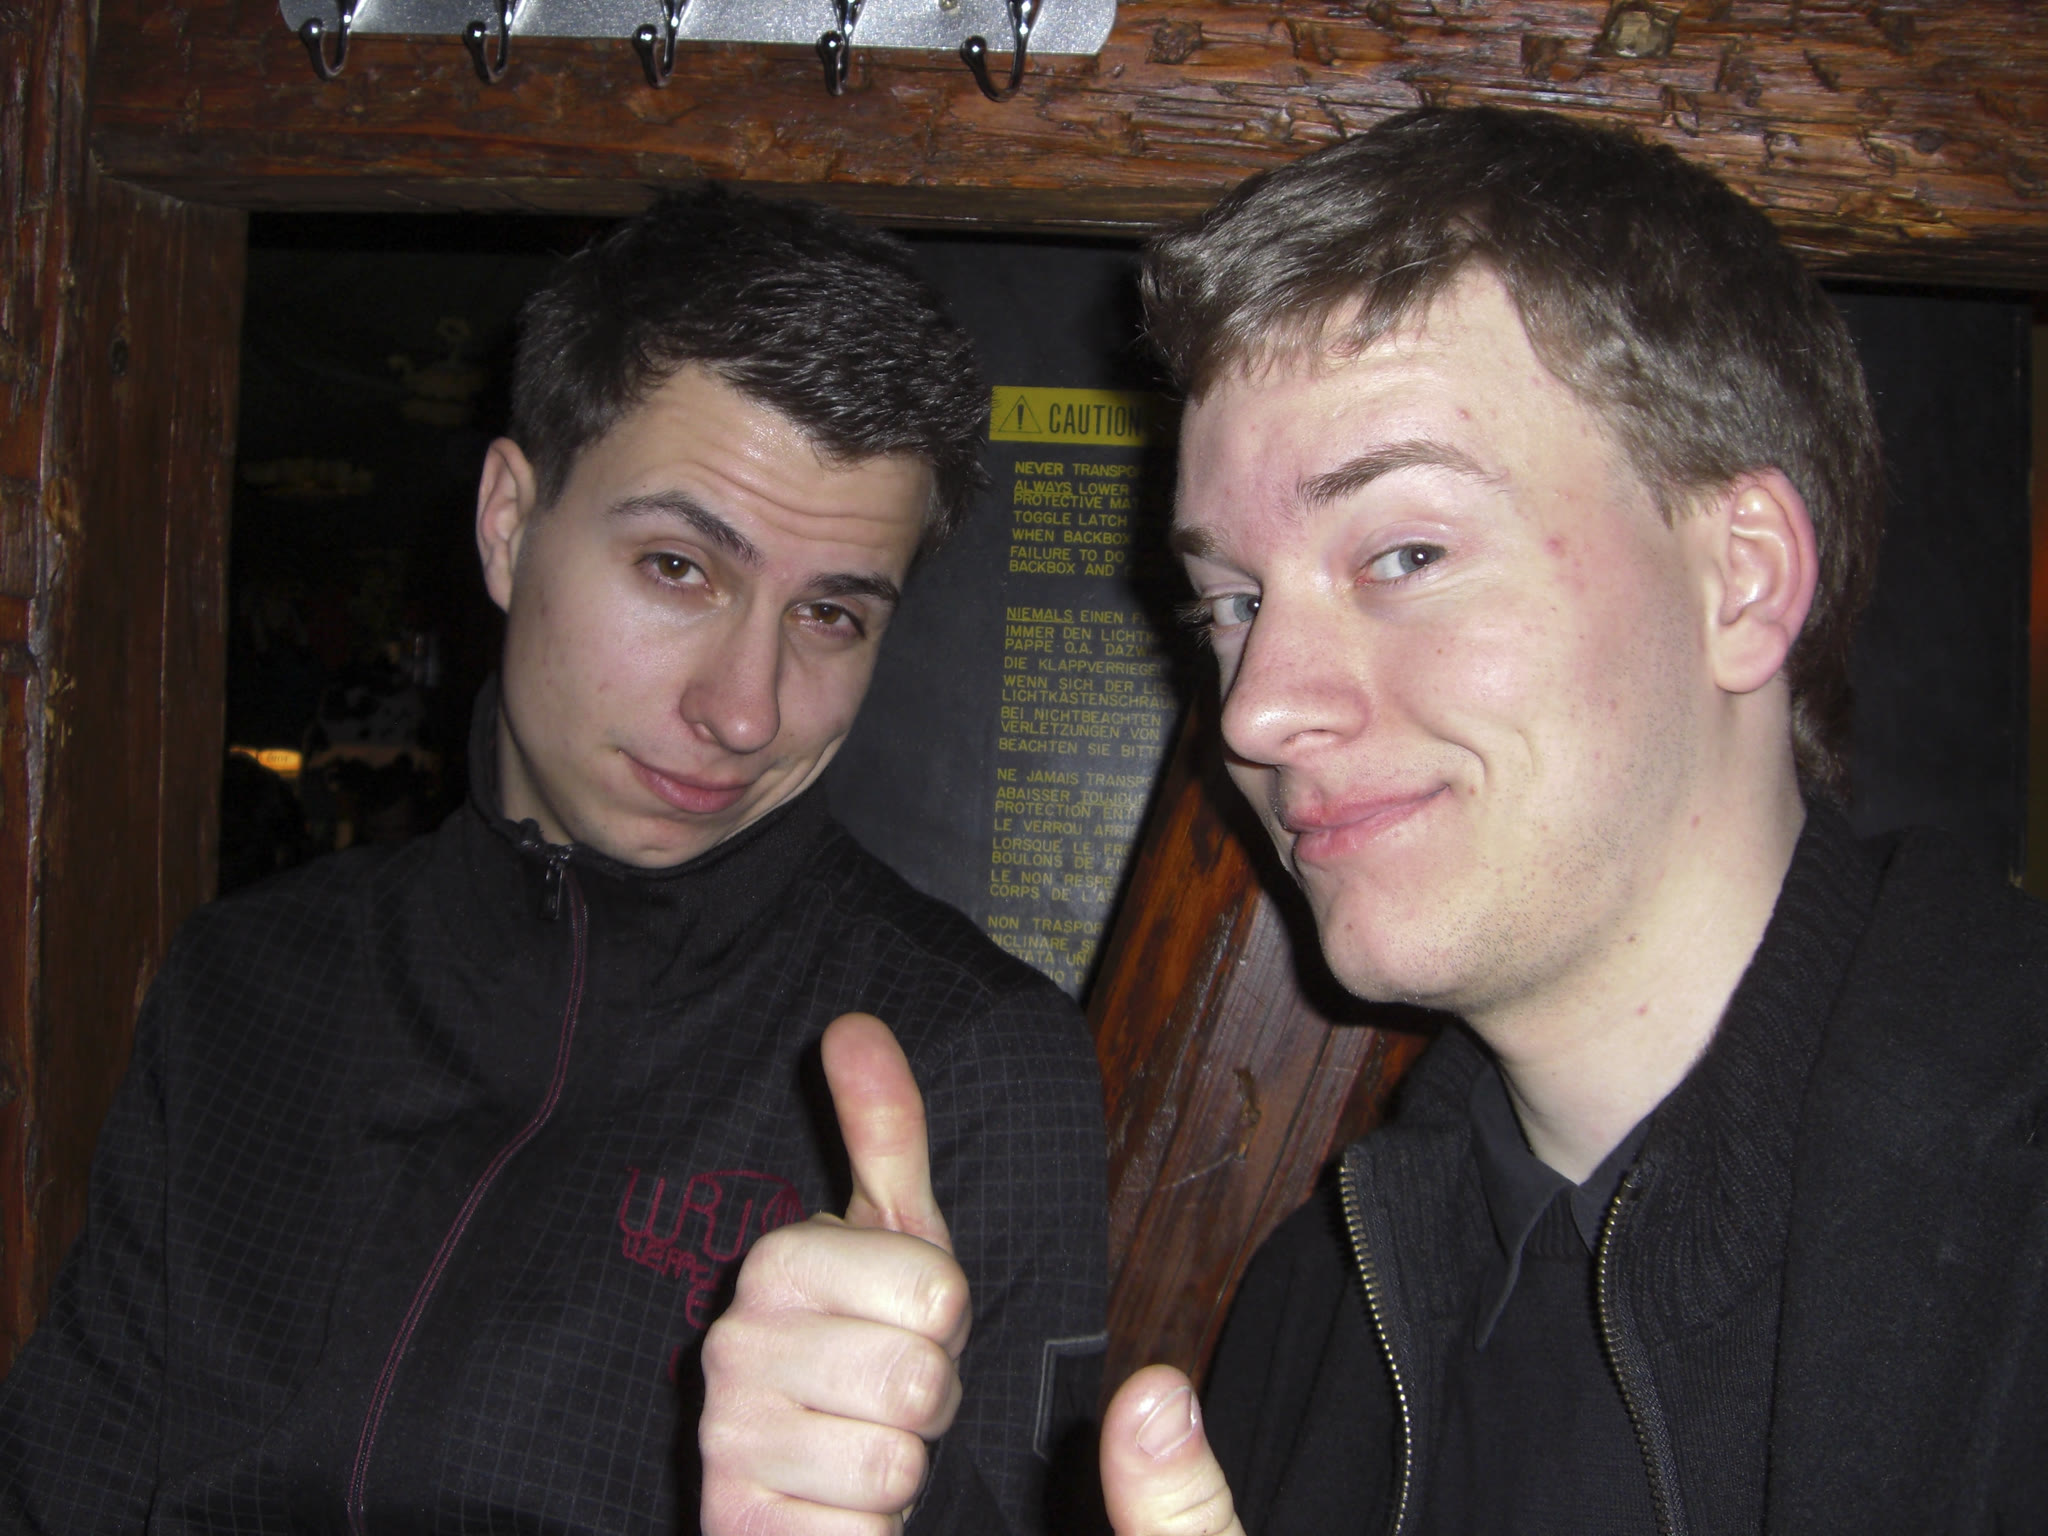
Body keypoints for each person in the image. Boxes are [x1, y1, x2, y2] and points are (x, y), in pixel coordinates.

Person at [0, 187, 1106, 1535]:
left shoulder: (975, 1064)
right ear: (509, 523)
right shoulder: (246, 982)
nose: (744, 709)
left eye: (829, 614)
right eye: (679, 568)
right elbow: (68, 1483)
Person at [1096, 107, 2048, 1534]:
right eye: (1231, 602)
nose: (1256, 710)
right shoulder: (1318, 1309)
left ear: (1741, 579)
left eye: (1405, 552)